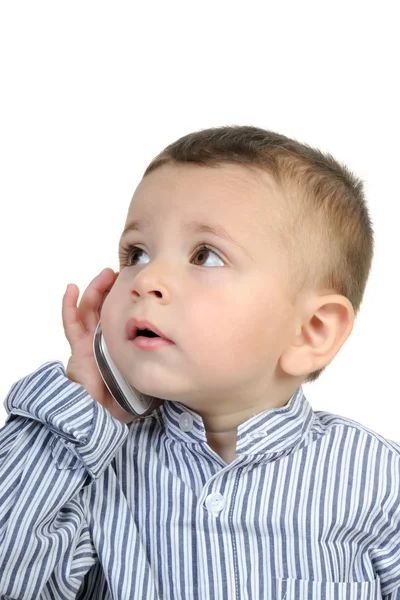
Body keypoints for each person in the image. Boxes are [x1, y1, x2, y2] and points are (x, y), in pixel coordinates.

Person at [0, 125, 399, 599]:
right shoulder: (88, 467)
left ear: (310, 331)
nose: (147, 279)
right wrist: (81, 402)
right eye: (137, 252)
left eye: (205, 256)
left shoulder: (377, 480)